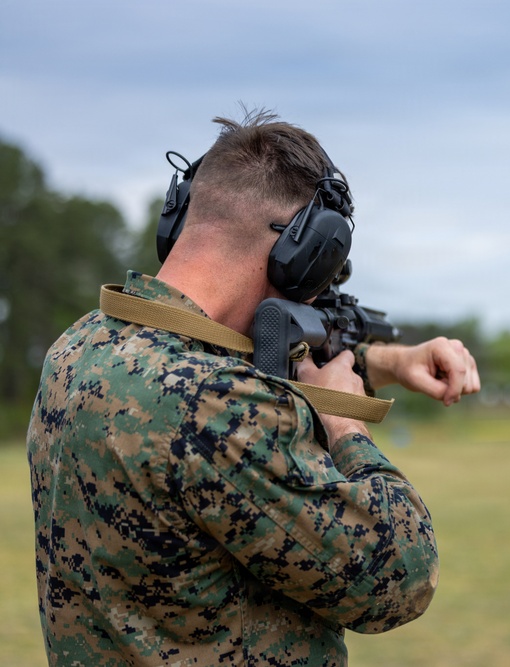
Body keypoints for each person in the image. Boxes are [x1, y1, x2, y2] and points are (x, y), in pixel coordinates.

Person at [26, 109, 480, 666]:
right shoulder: (216, 405)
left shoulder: (80, 347)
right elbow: (401, 575)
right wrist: (346, 422)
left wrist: (389, 361)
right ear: (303, 253)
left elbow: (237, 355)